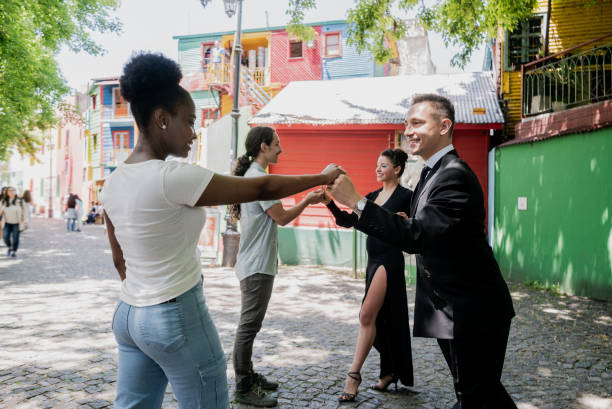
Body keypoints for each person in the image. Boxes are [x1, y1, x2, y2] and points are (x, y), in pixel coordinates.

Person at [101, 52, 343, 409]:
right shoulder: (173, 176)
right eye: (189, 121)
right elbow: (260, 188)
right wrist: (323, 177)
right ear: (161, 119)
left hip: (128, 316)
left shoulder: (113, 182)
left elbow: (119, 261)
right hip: (173, 313)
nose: (194, 133)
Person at [328, 94, 517, 409]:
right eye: (407, 123)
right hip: (449, 309)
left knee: (475, 396)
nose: (408, 131)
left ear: (444, 126)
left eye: (417, 123)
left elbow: (417, 234)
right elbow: (407, 229)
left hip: (474, 310)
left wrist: (358, 202)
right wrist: (355, 209)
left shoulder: (454, 174)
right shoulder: (431, 172)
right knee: (478, 394)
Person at [229, 126, 325, 407]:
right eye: (277, 144)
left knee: (251, 325)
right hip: (256, 265)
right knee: (248, 326)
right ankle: (244, 387)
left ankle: (248, 375)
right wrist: (307, 199)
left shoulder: (255, 176)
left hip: (256, 262)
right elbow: (281, 218)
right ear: (263, 146)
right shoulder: (259, 178)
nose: (281, 149)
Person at [323, 149, 414, 402]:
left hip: (389, 261)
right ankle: (389, 372)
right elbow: (347, 220)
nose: (378, 169)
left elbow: (414, 228)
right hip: (373, 262)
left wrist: (406, 221)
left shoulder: (407, 196)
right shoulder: (372, 196)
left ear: (397, 169)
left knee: (366, 315)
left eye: (383, 165)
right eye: (377, 165)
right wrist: (329, 202)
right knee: (381, 320)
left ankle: (353, 376)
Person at [0, 186, 25, 257]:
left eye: (13, 190)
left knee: (16, 238)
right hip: (6, 222)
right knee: (5, 237)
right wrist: (2, 208)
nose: (11, 192)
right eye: (9, 191)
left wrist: (25, 221)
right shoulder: (3, 201)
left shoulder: (20, 201)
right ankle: (9, 247)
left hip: (17, 223)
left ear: (15, 191)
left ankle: (14, 251)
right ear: (7, 192)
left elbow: (24, 211)